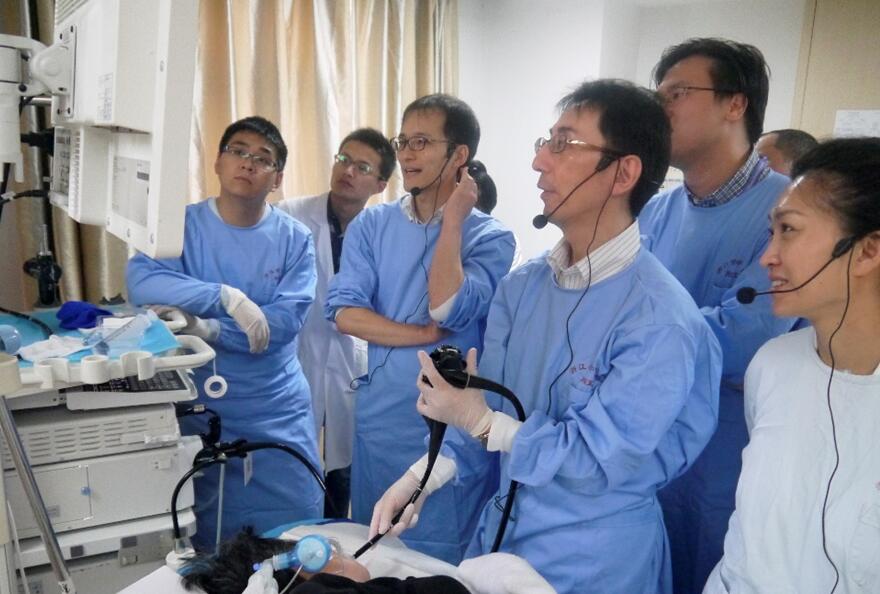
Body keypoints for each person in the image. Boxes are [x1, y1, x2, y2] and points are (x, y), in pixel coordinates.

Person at [371, 79, 722, 594]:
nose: (539, 162)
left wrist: (485, 423)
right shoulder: (523, 288)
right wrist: (424, 476)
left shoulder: (660, 319)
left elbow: (600, 459)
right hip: (507, 536)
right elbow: (485, 412)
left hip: (596, 559)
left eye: (564, 144)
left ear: (624, 172)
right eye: (545, 142)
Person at [639, 38, 801, 593]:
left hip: (727, 454)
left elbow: (742, 342)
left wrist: (634, 340)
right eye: (658, 95)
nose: (660, 109)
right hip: (650, 440)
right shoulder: (656, 211)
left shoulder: (787, 211)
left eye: (677, 93)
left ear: (735, 103)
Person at [325, 94, 516, 563]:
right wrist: (423, 337)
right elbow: (345, 314)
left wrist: (453, 222)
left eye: (422, 142)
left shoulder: (491, 237)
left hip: (448, 431)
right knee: (371, 557)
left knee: (438, 567)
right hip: (381, 422)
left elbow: (448, 307)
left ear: (459, 155)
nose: (407, 154)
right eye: (403, 141)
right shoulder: (372, 224)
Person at [127, 116, 322, 549]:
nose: (248, 163)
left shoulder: (294, 239)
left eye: (263, 158)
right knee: (207, 533)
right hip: (202, 406)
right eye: (238, 150)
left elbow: (281, 324)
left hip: (275, 407)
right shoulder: (181, 227)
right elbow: (142, 282)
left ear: (277, 179)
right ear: (217, 161)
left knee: (294, 534)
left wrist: (209, 327)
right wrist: (222, 297)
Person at [704, 137, 880, 593]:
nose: (768, 256)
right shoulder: (772, 366)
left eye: (789, 230)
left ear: (867, 250)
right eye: (772, 231)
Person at [278, 128, 396, 518]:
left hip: (353, 361)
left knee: (344, 465)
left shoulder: (386, 234)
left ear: (380, 185)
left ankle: (333, 536)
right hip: (298, 356)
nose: (347, 171)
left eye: (362, 167)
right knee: (293, 461)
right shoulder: (290, 216)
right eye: (343, 159)